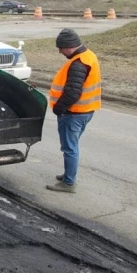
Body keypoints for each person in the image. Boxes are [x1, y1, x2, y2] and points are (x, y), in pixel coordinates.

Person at [47, 28, 101, 193]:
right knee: (72, 146)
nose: (60, 52)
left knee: (70, 148)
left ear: (68, 46)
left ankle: (69, 183)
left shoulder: (78, 63)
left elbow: (72, 92)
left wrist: (59, 109)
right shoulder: (88, 55)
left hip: (73, 113)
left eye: (61, 48)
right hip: (86, 111)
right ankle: (67, 175)